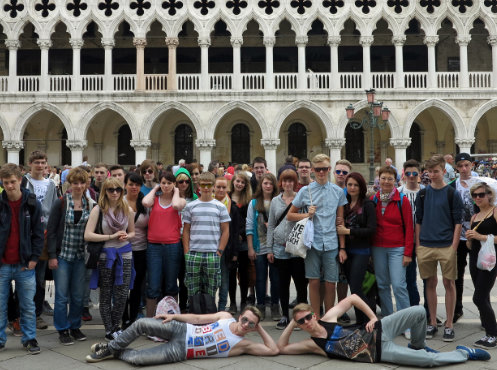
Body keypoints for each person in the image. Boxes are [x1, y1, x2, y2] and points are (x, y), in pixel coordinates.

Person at [277, 294, 491, 366]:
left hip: (378, 329)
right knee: (429, 361)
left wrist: (371, 317)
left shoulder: (327, 318)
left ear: (313, 315)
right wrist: (290, 324)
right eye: (301, 322)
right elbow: (280, 348)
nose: (306, 322)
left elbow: (352, 298)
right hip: (379, 353)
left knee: (418, 311)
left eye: (307, 317)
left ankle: (418, 345)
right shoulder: (312, 344)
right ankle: (464, 353)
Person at [85, 306, 278, 365]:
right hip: (182, 330)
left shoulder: (243, 344)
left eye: (251, 324)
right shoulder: (226, 317)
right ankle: (110, 348)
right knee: (141, 323)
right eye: (245, 319)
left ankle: (114, 351)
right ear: (240, 316)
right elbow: (197, 318)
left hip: (181, 351)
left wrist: (259, 328)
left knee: (138, 359)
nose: (246, 325)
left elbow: (273, 349)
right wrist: (174, 316)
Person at [288, 154, 347, 317]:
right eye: (318, 169)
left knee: (330, 283)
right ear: (313, 170)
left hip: (331, 242)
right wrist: (306, 215)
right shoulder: (305, 191)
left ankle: (329, 317)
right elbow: (290, 215)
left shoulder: (338, 191)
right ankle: (315, 316)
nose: (322, 172)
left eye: (325, 169)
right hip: (312, 243)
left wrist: (342, 247)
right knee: (313, 281)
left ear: (329, 170)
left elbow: (340, 223)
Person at [415, 154, 464, 341]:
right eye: (430, 171)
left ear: (444, 171)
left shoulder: (452, 193)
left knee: (448, 283)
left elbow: (458, 222)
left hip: (446, 245)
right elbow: (418, 220)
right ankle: (433, 322)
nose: (433, 175)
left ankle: (449, 324)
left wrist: (453, 246)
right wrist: (418, 245)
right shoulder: (423, 193)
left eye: (436, 171)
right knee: (430, 283)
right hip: (426, 244)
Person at [47, 167, 95, 345]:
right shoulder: (61, 203)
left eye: (82, 182)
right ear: (70, 183)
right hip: (63, 255)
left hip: (81, 255)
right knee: (61, 296)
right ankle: (62, 329)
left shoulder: (90, 204)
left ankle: (75, 326)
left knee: (77, 295)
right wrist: (52, 255)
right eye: (75, 182)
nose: (79, 186)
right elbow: (51, 231)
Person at [84, 177, 136, 341]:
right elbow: (88, 235)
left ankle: (116, 326)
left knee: (122, 294)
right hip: (106, 255)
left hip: (125, 253)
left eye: (118, 189)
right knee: (106, 294)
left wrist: (127, 235)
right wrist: (111, 236)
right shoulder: (98, 210)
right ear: (105, 192)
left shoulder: (126, 208)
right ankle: (109, 330)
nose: (114, 193)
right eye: (110, 189)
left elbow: (133, 232)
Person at [0, 163, 44, 354]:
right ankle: (1, 340)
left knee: (27, 305)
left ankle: (29, 338)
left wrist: (34, 258)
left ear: (20, 180)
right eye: (5, 182)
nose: (9, 186)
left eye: (12, 182)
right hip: (2, 264)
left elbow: (38, 234)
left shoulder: (32, 202)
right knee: (0, 306)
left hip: (25, 264)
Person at [370, 166, 412, 322]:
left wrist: (408, 252)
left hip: (397, 248)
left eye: (390, 178)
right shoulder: (373, 200)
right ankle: (389, 319)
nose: (386, 181)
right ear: (378, 180)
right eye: (383, 178)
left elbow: (409, 227)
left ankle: (406, 322)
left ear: (395, 181)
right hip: (378, 248)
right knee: (382, 285)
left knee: (399, 285)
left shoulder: (402, 200)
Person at [267, 169, 307, 329]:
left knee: (300, 283)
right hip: (279, 248)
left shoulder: (301, 198)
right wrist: (269, 248)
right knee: (282, 283)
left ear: (295, 182)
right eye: (285, 181)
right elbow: (270, 225)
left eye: (291, 181)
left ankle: (302, 316)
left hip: (297, 248)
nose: (288, 184)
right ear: (281, 183)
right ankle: (285, 315)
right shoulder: (276, 201)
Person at [24, 150, 58, 331]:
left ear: (46, 165)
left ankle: (36, 314)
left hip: (44, 235)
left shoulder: (51, 184)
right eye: (36, 162)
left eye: (42, 162)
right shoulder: (24, 182)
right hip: (26, 233)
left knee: (40, 277)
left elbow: (53, 208)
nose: (40, 165)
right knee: (24, 275)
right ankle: (22, 313)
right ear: (30, 164)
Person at [142, 171, 185, 316]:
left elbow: (176, 206)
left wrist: (176, 191)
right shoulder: (155, 199)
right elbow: (145, 202)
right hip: (154, 246)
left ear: (174, 184)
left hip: (173, 246)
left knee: (171, 285)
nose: (166, 186)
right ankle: (149, 321)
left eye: (169, 183)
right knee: (153, 285)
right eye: (163, 183)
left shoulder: (180, 199)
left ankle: (173, 318)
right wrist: (155, 189)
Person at [182, 172, 230, 300]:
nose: (206, 188)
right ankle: (193, 316)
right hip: (194, 252)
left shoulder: (220, 207)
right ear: (199, 186)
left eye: (209, 185)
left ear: (213, 186)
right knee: (192, 290)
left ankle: (209, 316)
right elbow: (186, 230)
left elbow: (225, 230)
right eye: (203, 185)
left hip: (212, 253)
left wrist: (220, 251)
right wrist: (187, 251)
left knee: (211, 290)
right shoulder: (191, 206)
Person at [336, 172, 376, 324]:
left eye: (355, 185)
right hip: (347, 251)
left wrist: (348, 231)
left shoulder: (368, 204)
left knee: (357, 288)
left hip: (361, 251)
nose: (352, 188)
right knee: (354, 288)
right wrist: (342, 247)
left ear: (361, 187)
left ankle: (367, 321)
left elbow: (371, 230)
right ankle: (361, 322)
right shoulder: (344, 204)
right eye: (349, 185)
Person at [465, 182, 497, 349]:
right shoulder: (474, 217)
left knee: (478, 297)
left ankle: (492, 334)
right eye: (475, 195)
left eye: (481, 194)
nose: (477, 198)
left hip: (490, 260)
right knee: (483, 296)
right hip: (475, 259)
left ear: (489, 195)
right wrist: (470, 239)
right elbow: (472, 244)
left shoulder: (495, 211)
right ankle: (490, 329)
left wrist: (480, 236)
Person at [246, 172, 280, 321]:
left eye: (270, 183)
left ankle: (274, 305)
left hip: (275, 246)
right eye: (265, 183)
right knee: (260, 278)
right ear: (261, 185)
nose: (268, 186)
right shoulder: (253, 203)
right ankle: (259, 305)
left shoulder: (278, 201)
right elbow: (249, 226)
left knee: (275, 277)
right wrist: (250, 248)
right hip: (259, 246)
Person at [451, 152, 478, 323]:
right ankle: (457, 309)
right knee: (457, 275)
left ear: (472, 165)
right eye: (460, 166)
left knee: (479, 276)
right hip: (458, 237)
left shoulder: (480, 183)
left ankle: (484, 313)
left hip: (476, 236)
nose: (464, 169)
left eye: (466, 165)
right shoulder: (452, 186)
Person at [121, 172, 149, 328]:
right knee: (124, 284)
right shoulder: (120, 202)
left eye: (137, 184)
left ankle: (133, 317)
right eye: (131, 184)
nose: (134, 187)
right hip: (123, 249)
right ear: (125, 185)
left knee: (138, 285)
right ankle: (124, 317)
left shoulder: (144, 204)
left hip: (141, 249)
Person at [397, 159, 424, 310]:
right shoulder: (399, 193)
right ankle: (413, 309)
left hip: (425, 241)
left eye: (414, 173)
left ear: (419, 174)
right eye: (408, 173)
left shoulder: (425, 191)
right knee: (409, 278)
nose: (411, 176)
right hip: (405, 241)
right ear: (404, 174)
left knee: (428, 279)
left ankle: (427, 312)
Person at [214, 177, 241, 312]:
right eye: (218, 187)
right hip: (211, 247)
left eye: (223, 187)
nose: (221, 190)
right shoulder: (207, 204)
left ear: (228, 189)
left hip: (227, 249)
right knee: (212, 281)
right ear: (214, 187)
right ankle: (211, 309)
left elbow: (235, 232)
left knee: (224, 282)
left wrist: (235, 253)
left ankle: (221, 309)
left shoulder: (233, 208)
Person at [229, 172, 253, 312]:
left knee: (244, 273)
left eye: (242, 182)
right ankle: (232, 302)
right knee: (231, 273)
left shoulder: (248, 200)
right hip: (230, 241)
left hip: (243, 241)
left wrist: (241, 234)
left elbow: (248, 221)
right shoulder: (226, 197)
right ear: (233, 181)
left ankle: (243, 301)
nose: (239, 184)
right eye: (238, 181)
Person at [333, 159, 353, 324]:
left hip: (347, 239)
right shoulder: (329, 190)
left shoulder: (351, 192)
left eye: (344, 172)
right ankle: (327, 309)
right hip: (327, 238)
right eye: (338, 171)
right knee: (326, 277)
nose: (341, 174)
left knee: (342, 277)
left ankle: (341, 308)